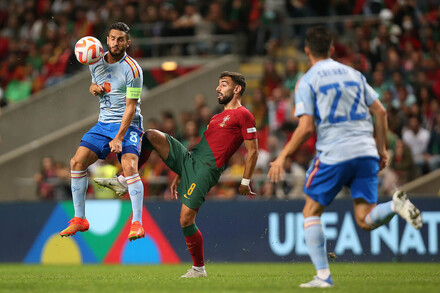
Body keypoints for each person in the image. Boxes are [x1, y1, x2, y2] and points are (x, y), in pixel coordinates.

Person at [267, 26, 423, 288]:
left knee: (310, 210)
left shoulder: (307, 80)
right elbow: (381, 112)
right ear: (331, 49)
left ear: (307, 51)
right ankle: (395, 205)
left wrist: (282, 156)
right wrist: (381, 149)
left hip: (335, 152)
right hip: (365, 151)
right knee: (364, 218)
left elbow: (306, 128)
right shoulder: (355, 74)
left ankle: (323, 276)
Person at [95, 71, 259, 277]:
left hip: (206, 170)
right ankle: (122, 181)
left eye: (224, 84)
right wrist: (181, 173)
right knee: (151, 135)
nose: (218, 88)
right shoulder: (216, 117)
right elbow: (205, 146)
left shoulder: (244, 114)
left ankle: (199, 269)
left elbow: (253, 151)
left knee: (186, 220)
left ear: (237, 89)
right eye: (218, 84)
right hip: (190, 159)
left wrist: (245, 181)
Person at [59, 22, 145, 241]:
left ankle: (137, 223)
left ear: (128, 42)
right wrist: (93, 88)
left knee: (129, 166)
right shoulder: (94, 59)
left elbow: (131, 106)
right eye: (112, 38)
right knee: (76, 163)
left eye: (120, 39)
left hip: (128, 123)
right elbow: (96, 84)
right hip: (103, 123)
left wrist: (119, 137)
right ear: (107, 40)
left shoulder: (133, 70)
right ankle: (80, 219)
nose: (116, 43)